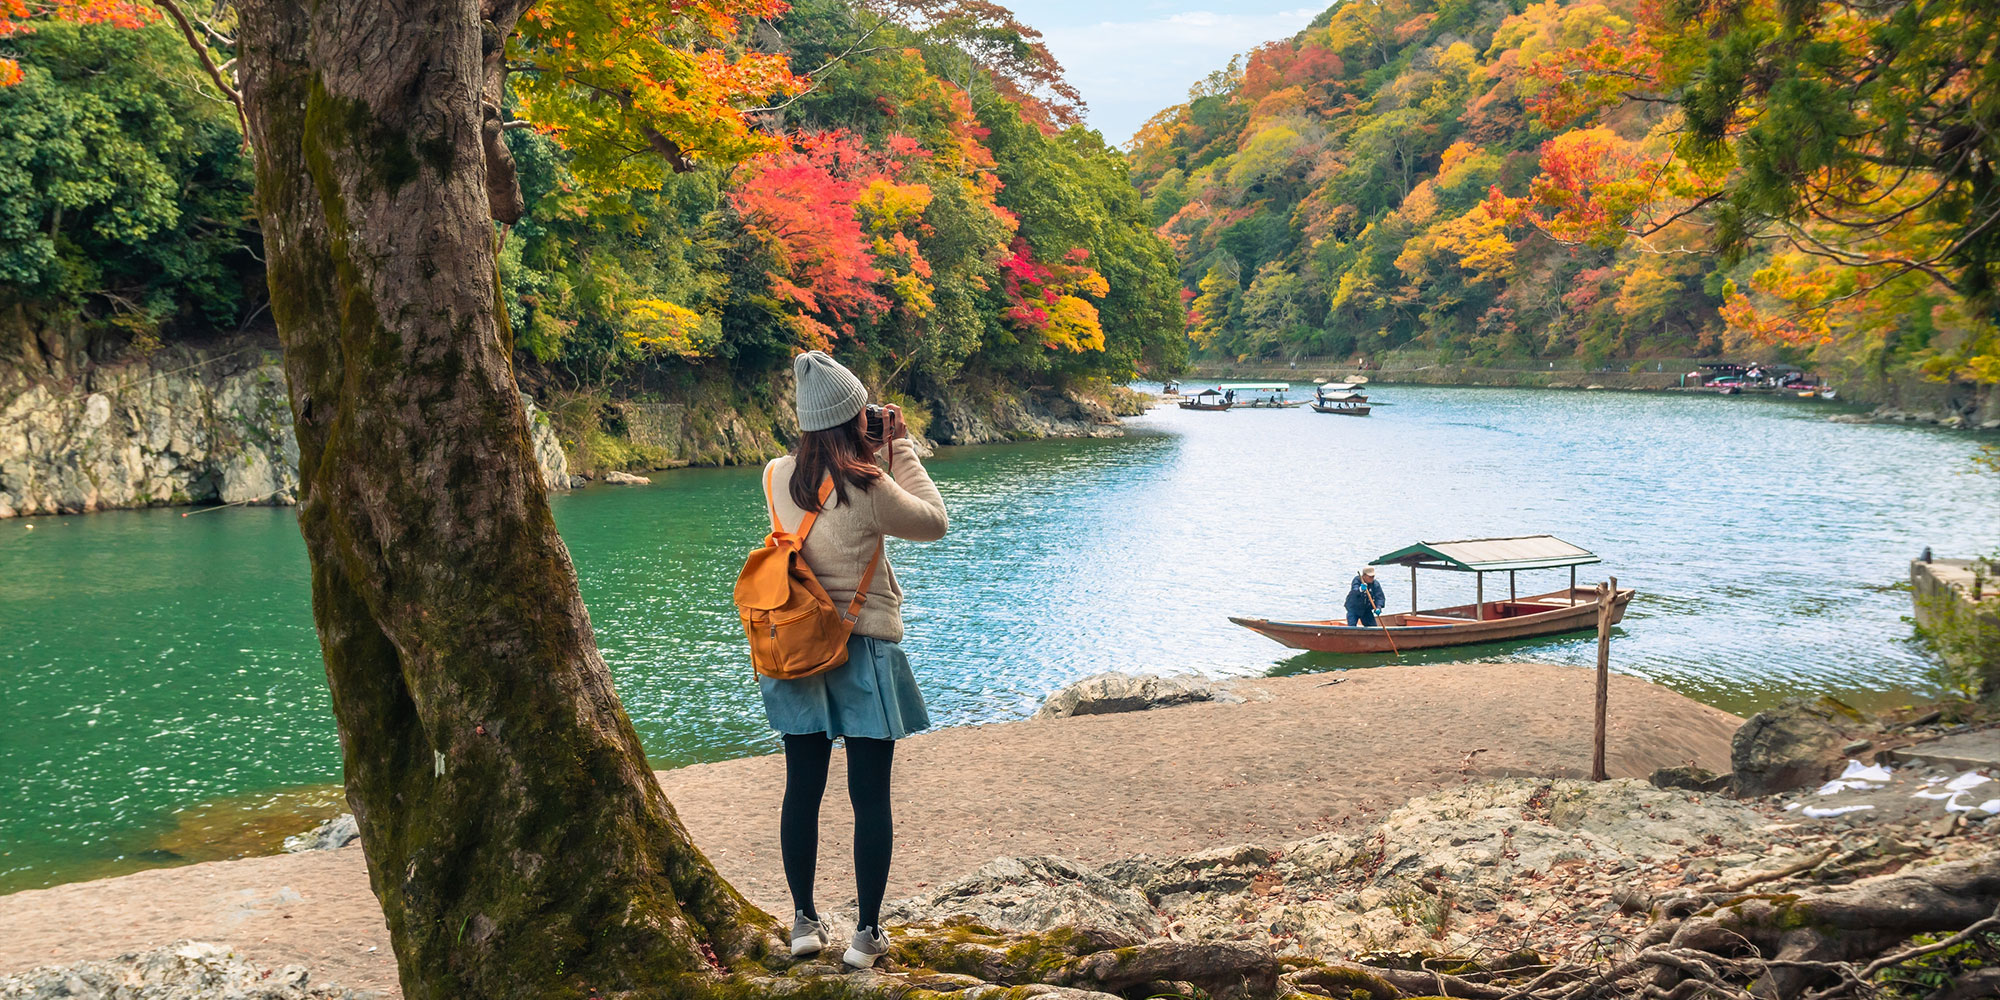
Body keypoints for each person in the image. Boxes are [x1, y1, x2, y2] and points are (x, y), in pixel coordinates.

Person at [760, 351, 948, 968]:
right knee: (870, 797)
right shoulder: (869, 483)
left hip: (796, 644)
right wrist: (900, 448)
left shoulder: (774, 475)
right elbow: (933, 522)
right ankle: (866, 935)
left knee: (801, 791)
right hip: (862, 646)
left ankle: (804, 923)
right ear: (852, 417)